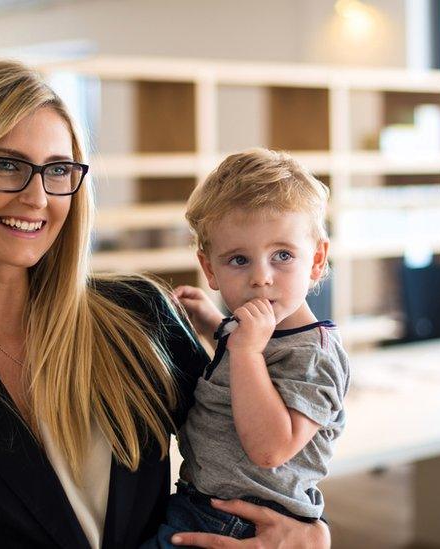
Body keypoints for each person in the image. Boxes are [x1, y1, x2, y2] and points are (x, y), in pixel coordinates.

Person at [0, 60, 330, 548]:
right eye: (6, 165)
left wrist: (313, 533)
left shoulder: (138, 316)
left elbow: (248, 450)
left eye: (58, 170)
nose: (38, 196)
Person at [146, 149, 350, 546]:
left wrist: (245, 352)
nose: (261, 278)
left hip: (244, 521)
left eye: (283, 256)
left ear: (317, 259)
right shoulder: (253, 331)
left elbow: (271, 449)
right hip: (203, 502)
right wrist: (212, 325)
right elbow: (242, 370)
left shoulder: (313, 354)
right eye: (239, 259)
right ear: (210, 270)